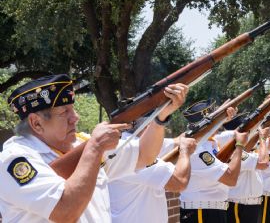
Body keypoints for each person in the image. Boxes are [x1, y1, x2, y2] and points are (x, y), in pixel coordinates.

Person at [0, 74, 188, 222]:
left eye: (72, 109)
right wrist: (95, 148)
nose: (76, 117)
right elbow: (65, 212)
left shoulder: (82, 144)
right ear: (36, 123)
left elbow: (144, 155)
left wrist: (160, 116)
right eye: (64, 112)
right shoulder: (15, 160)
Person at [178, 99, 248, 223]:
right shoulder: (197, 148)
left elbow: (245, 132)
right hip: (201, 212)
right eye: (215, 119)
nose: (219, 122)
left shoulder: (212, 141)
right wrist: (239, 146)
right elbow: (231, 179)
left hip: (213, 210)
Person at [224, 112, 270, 223]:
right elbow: (263, 163)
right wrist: (262, 139)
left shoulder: (244, 150)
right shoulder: (235, 152)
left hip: (252, 204)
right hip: (238, 205)